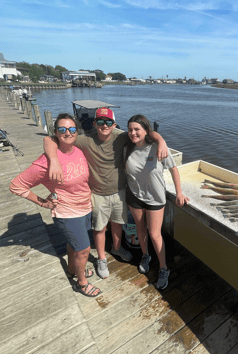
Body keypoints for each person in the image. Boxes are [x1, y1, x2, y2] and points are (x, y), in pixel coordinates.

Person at [44, 107, 168, 279]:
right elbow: (51, 140)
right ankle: (102, 259)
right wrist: (54, 160)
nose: (104, 125)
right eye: (100, 122)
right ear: (94, 123)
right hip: (97, 193)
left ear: (114, 124)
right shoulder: (85, 140)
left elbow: (147, 133)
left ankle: (117, 248)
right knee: (100, 228)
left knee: (118, 223)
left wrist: (161, 140)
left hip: (120, 192)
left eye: (108, 122)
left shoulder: (122, 136)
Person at [10, 113, 101, 297]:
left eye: (72, 129)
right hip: (67, 212)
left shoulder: (79, 150)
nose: (68, 133)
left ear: (77, 131)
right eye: (62, 129)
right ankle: (81, 283)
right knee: (83, 249)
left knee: (74, 245)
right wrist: (42, 202)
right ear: (56, 132)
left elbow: (50, 141)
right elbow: (16, 185)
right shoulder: (46, 161)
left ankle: (73, 270)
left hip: (84, 208)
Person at [125, 114, 189, 290]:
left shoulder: (157, 147)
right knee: (140, 228)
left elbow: (174, 169)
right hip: (134, 196)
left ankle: (163, 268)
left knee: (154, 234)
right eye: (130, 129)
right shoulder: (127, 146)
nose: (133, 133)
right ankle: (145, 255)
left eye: (137, 129)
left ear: (146, 131)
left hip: (155, 198)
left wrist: (179, 193)